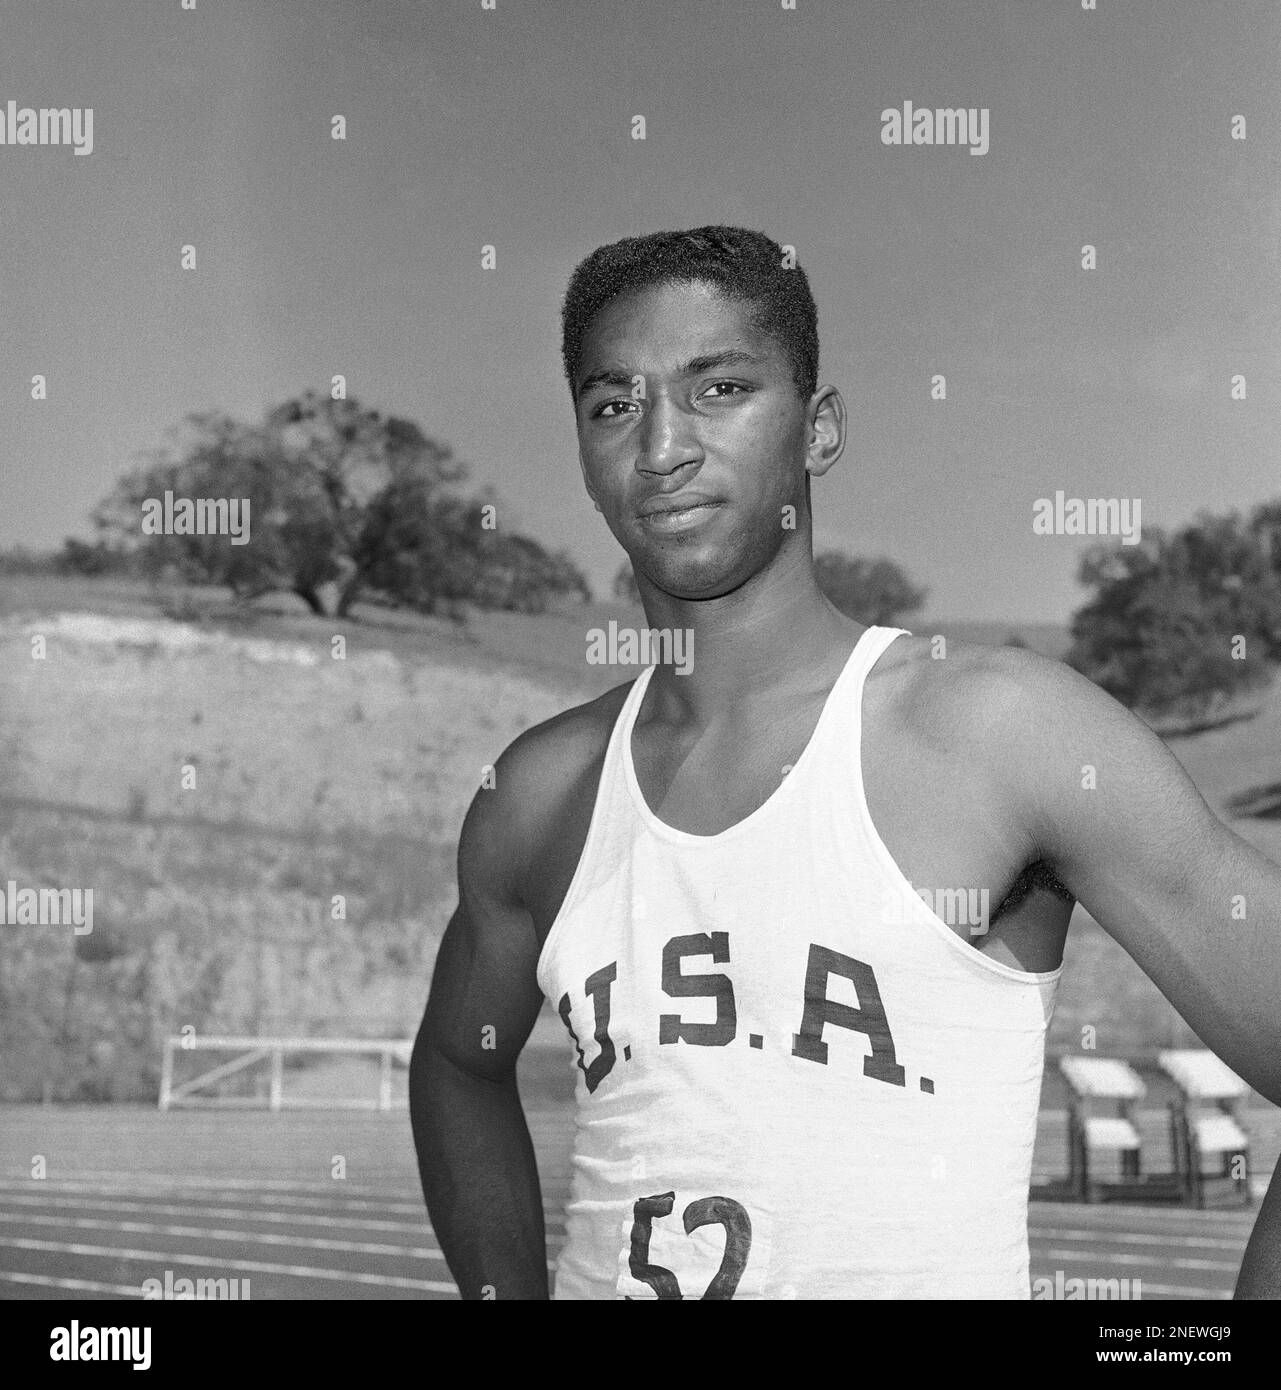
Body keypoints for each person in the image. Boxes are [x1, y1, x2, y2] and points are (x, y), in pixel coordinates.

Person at [409, 226, 1281, 1299]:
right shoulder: (541, 795)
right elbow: (459, 1063)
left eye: (719, 387)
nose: (662, 446)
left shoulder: (999, 732)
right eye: (614, 404)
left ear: (818, 430)